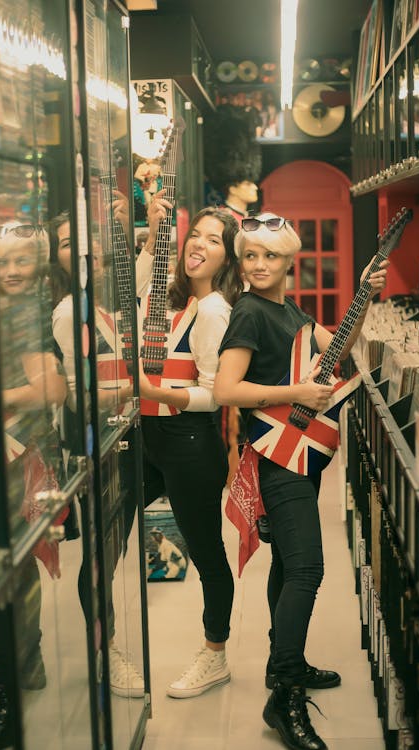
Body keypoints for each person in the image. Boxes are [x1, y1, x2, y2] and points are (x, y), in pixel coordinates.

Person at [213, 213, 388, 750]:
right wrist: (292, 393)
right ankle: (285, 695)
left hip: (301, 453)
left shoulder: (286, 309)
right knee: (308, 567)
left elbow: (336, 348)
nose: (259, 264)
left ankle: (281, 661)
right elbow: (225, 389)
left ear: (290, 261)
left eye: (270, 255)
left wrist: (363, 294)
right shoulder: (248, 313)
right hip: (275, 454)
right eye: (250, 255)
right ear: (241, 262)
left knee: (290, 563)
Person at [115, 191, 242, 698]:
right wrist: (153, 227)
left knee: (208, 553)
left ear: (227, 258)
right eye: (196, 235)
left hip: (188, 441)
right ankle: (105, 649)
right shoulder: (172, 295)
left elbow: (216, 394)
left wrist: (156, 392)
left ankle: (215, 655)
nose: (200, 246)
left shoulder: (213, 309)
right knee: (105, 543)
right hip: (142, 437)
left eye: (215, 241)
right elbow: (135, 289)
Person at [0, 222, 67, 750]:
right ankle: (27, 664)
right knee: (11, 569)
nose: (10, 271)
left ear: (39, 264)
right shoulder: (3, 314)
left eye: (21, 261)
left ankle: (5, 697)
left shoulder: (27, 314)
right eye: (2, 262)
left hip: (13, 458)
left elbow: (52, 385)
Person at [49, 210, 144, 699]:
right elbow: (70, 394)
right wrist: (132, 389)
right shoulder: (70, 312)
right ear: (57, 257)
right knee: (100, 556)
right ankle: (104, 652)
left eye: (89, 243)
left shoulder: (103, 304)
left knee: (112, 549)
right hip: (92, 444)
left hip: (118, 437)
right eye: (68, 244)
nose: (83, 253)